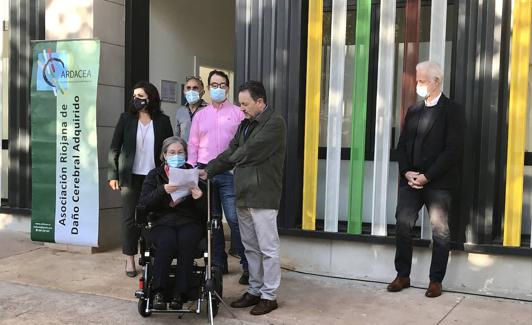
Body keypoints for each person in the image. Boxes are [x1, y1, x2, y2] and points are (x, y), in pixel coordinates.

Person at [200, 80, 286, 316]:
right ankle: (255, 290)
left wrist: (225, 162)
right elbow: (231, 151)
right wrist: (209, 169)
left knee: (267, 248)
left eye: (245, 104)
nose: (242, 108)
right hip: (244, 193)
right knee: (249, 247)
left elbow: (249, 152)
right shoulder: (245, 125)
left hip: (264, 195)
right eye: (240, 104)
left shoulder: (275, 123)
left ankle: (269, 296)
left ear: (260, 102)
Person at [387, 61, 464, 298]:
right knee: (402, 222)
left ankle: (435, 280)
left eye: (421, 80)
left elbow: (453, 150)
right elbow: (401, 147)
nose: (417, 84)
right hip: (412, 181)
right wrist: (406, 172)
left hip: (437, 182)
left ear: (436, 81)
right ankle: (403, 275)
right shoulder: (414, 110)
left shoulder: (452, 110)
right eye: (417, 79)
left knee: (440, 230)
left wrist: (427, 177)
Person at [187, 70, 249, 284]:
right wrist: (193, 170)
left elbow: (244, 145)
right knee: (212, 221)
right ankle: (217, 264)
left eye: (222, 84)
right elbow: (192, 144)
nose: (217, 88)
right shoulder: (200, 115)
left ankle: (247, 265)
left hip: (230, 174)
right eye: (214, 84)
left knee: (234, 220)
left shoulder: (238, 113)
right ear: (208, 87)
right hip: (205, 173)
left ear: (228, 87)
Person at [108, 81, 174, 277]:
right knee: (130, 218)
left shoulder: (163, 121)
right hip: (130, 177)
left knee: (153, 217)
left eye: (140, 96)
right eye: (134, 96)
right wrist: (113, 174)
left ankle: (150, 256)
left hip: (153, 178)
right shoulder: (126, 119)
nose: (136, 99)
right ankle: (129, 259)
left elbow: (168, 149)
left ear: (150, 98)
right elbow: (114, 147)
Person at [138, 136, 206, 310]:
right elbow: (143, 204)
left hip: (189, 221)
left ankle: (180, 293)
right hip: (162, 221)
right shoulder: (155, 175)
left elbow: (205, 212)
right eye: (172, 152)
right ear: (164, 155)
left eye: (180, 152)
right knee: (166, 242)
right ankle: (159, 291)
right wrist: (162, 190)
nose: (177, 155)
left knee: (187, 241)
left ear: (186, 154)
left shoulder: (193, 173)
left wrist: (199, 198)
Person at [175, 76, 207, 141]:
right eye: (188, 88)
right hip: (185, 150)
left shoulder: (210, 110)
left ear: (202, 92)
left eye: (195, 88)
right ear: (184, 92)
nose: (191, 91)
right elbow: (177, 137)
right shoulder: (180, 111)